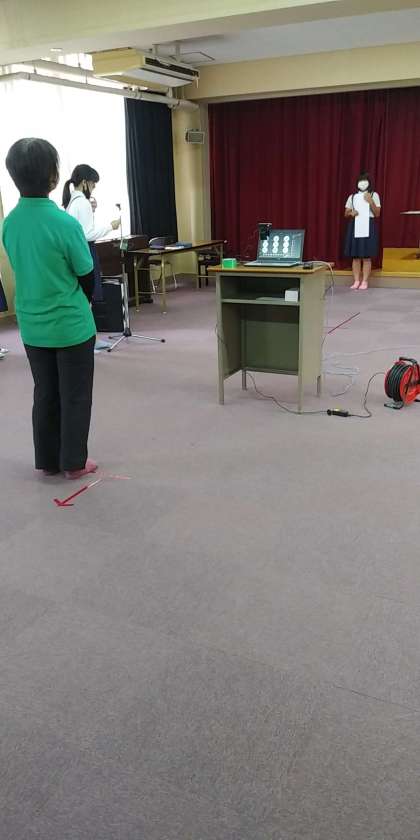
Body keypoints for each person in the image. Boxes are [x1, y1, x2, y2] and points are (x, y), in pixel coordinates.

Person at [2, 138, 98, 479]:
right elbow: (86, 274)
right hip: (70, 326)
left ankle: (47, 460)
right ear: (54, 177)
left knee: (45, 393)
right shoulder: (64, 223)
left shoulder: (9, 223)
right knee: (75, 395)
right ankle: (73, 462)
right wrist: (85, 301)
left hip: (31, 326)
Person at [62, 164, 120, 302]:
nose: (94, 187)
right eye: (93, 184)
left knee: (82, 293)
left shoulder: (72, 202)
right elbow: (87, 234)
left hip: (75, 251)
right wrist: (110, 226)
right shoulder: (83, 202)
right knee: (92, 292)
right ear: (84, 183)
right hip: (86, 250)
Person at [344, 172, 381, 290]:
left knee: (366, 256)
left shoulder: (374, 195)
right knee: (355, 256)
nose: (362, 183)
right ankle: (356, 281)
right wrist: (351, 213)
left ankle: (364, 281)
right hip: (355, 225)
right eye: (360, 181)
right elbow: (346, 213)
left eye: (365, 180)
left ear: (369, 183)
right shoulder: (352, 196)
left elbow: (377, 213)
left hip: (368, 224)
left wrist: (371, 202)